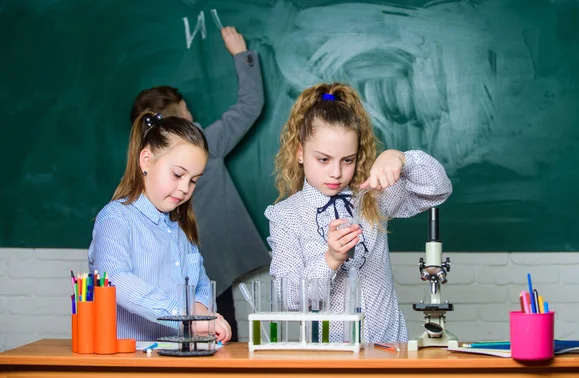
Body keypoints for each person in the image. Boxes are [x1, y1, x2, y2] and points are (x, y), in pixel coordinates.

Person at [265, 82, 453, 343]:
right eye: (323, 159)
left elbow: (439, 189)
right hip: (328, 362)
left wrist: (400, 158)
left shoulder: (371, 195)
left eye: (348, 160)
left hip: (388, 351)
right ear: (299, 152)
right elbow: (292, 299)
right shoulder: (286, 216)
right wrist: (331, 258)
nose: (336, 173)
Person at [130, 27, 270, 341]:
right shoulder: (205, 143)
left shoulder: (145, 168)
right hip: (210, 271)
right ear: (181, 116)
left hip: (173, 278)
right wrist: (240, 55)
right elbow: (250, 106)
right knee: (220, 337)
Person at [88, 112, 232, 342]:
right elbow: (115, 278)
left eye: (194, 180)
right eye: (177, 174)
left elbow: (201, 282)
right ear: (146, 161)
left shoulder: (181, 229)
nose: (185, 188)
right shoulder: (116, 218)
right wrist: (184, 314)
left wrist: (202, 312)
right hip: (129, 361)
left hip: (175, 356)